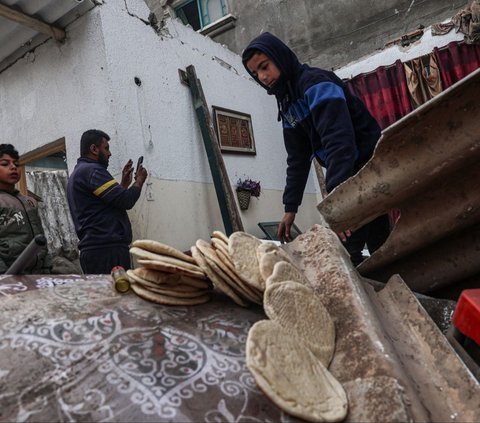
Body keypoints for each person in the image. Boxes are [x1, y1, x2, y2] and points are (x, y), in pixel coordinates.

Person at [242, 32, 390, 266]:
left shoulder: (316, 83)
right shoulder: (288, 105)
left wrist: (336, 202)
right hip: (348, 173)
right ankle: (388, 284)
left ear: (279, 58)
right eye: (255, 74)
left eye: (264, 67)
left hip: (367, 167)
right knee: (376, 246)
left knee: (346, 248)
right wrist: (290, 209)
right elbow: (297, 159)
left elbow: (339, 143)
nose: (262, 77)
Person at [67, 129, 148, 274]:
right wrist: (139, 182)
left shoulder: (80, 172)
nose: (109, 153)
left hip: (97, 251)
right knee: (117, 295)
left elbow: (108, 204)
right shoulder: (92, 171)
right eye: (106, 148)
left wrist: (123, 184)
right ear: (93, 149)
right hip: (106, 251)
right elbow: (126, 201)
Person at [0, 144, 51, 274]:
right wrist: (4, 277)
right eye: (5, 164)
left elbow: (41, 239)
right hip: (8, 276)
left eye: (16, 164)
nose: (13, 167)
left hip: (37, 275)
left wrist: (47, 268)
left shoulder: (29, 201)